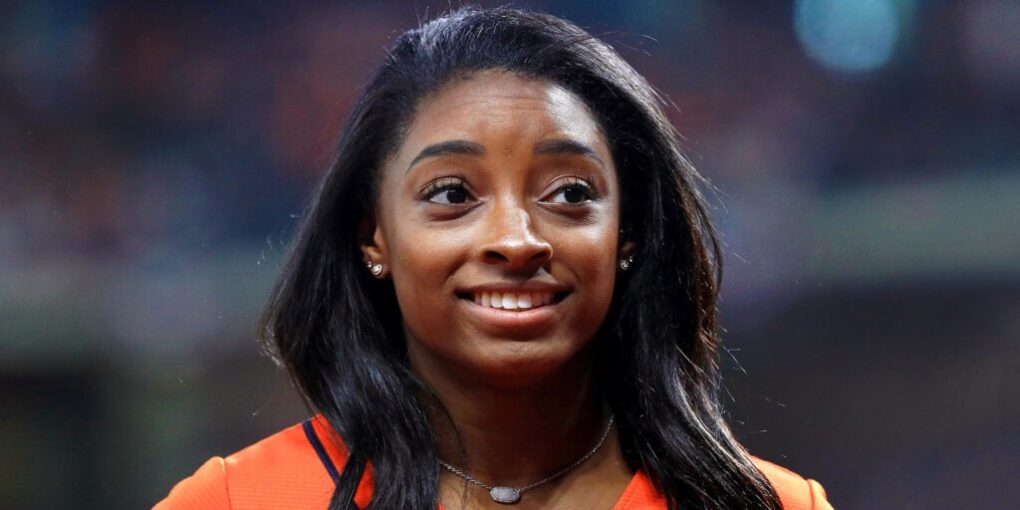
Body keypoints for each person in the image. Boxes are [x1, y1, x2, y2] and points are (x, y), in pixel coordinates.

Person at [156, 6, 833, 510]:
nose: (516, 240)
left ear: (626, 234)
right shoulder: (236, 502)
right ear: (374, 236)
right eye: (452, 194)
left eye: (570, 193)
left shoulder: (770, 505)